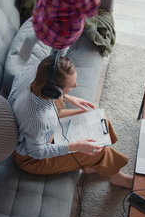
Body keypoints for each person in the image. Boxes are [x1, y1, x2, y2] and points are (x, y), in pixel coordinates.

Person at [8, 54, 133, 188]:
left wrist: (68, 97)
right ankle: (116, 177)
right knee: (99, 151)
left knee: (99, 118)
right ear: (53, 91)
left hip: (48, 127)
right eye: (72, 85)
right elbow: (36, 152)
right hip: (33, 159)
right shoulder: (37, 119)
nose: (77, 85)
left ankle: (96, 163)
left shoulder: (37, 73)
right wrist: (75, 147)